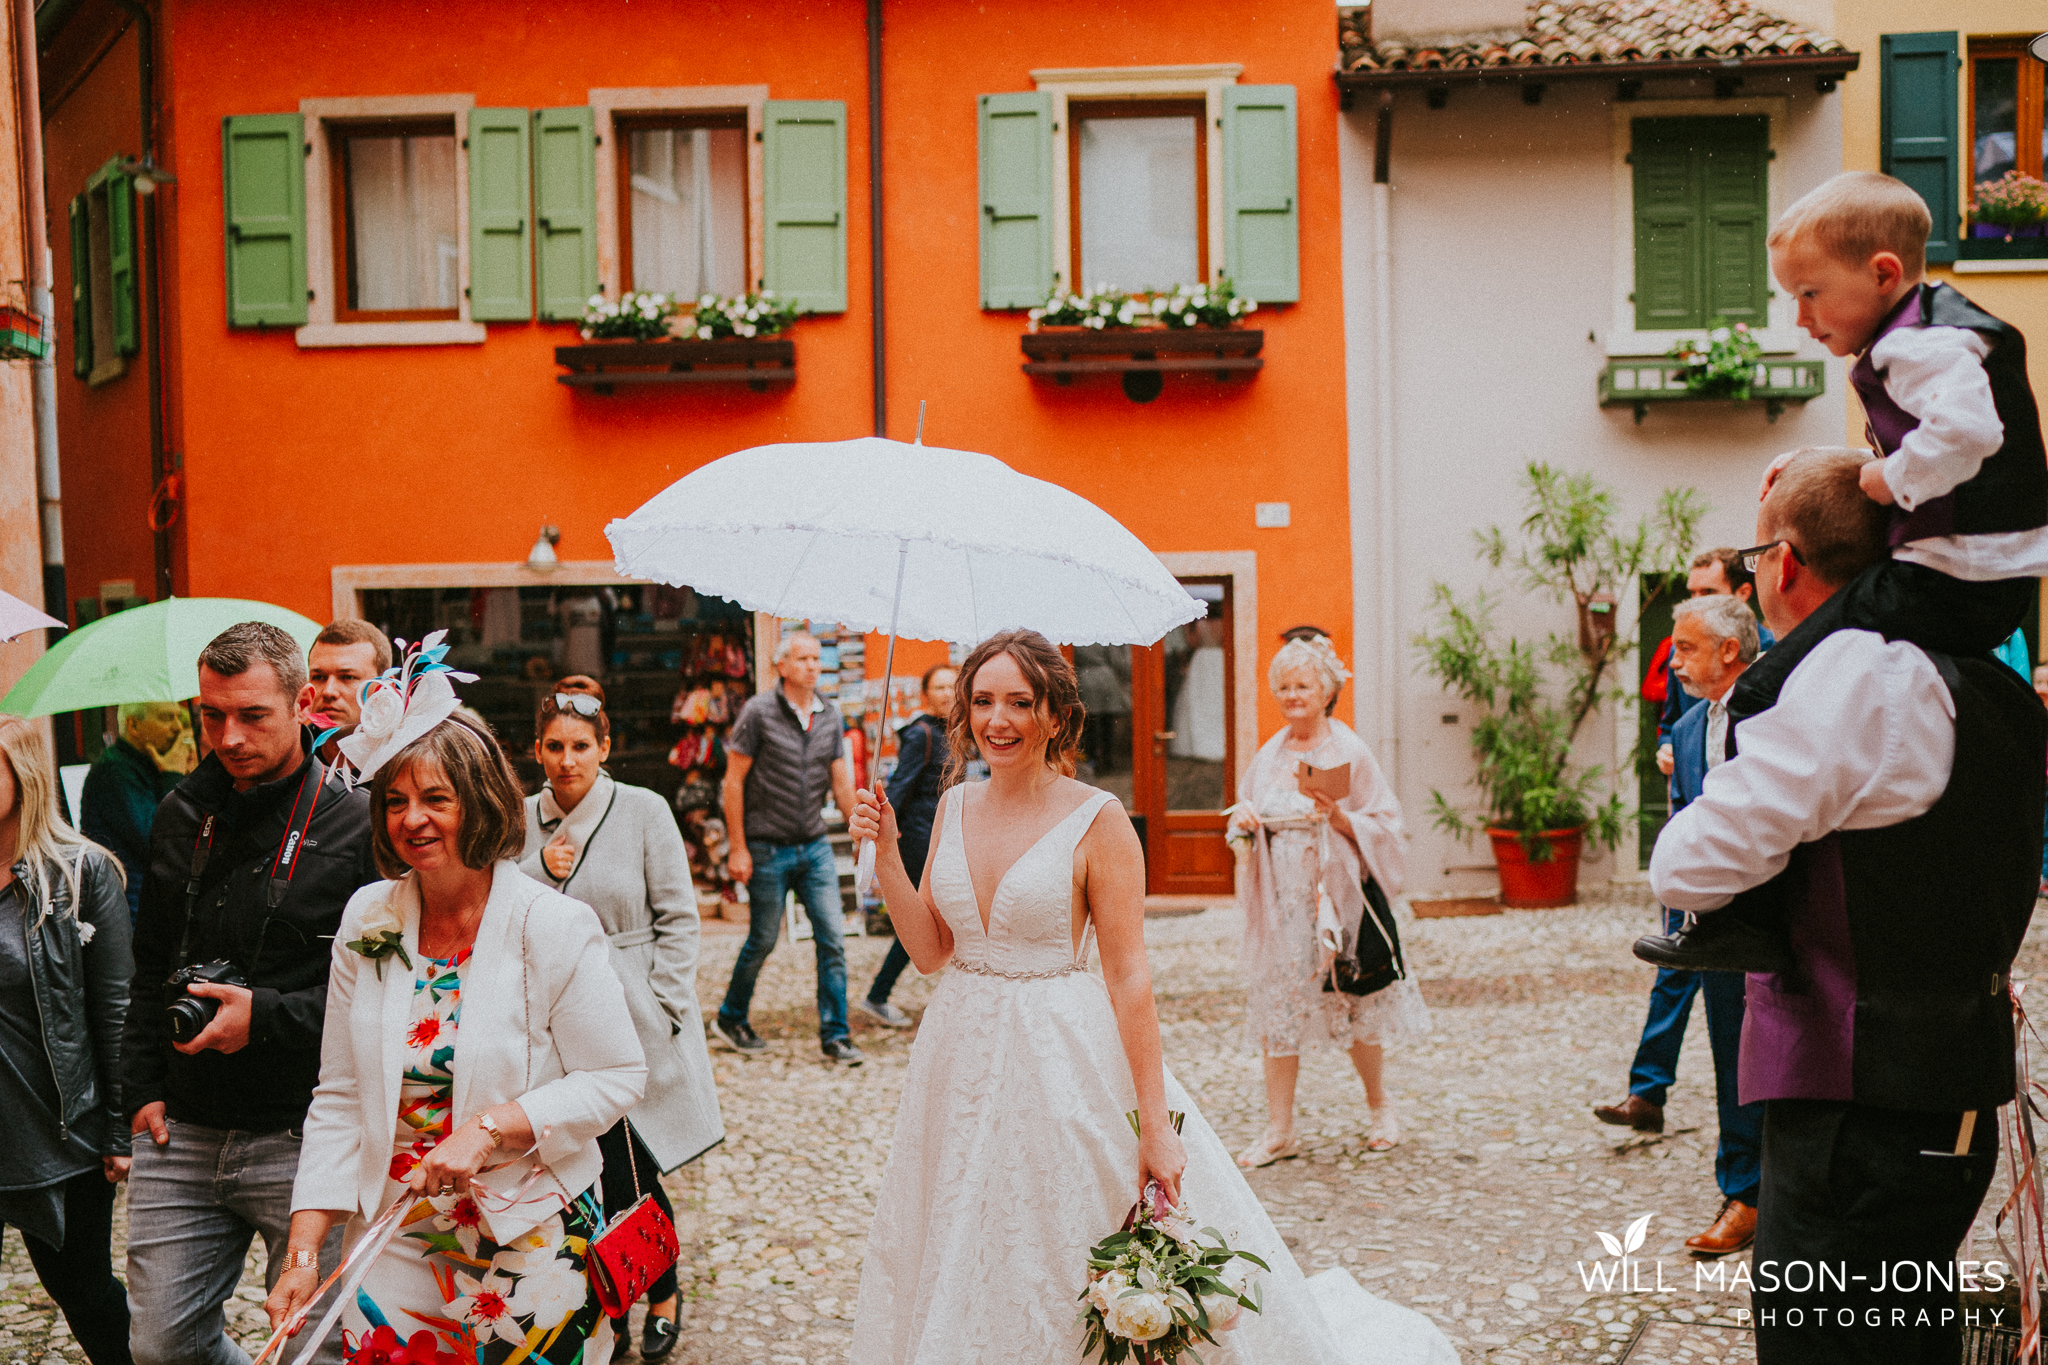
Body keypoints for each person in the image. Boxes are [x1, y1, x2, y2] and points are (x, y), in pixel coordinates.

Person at [846, 629, 1456, 1364]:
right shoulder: (952, 807)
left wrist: (1156, 1124)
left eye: (1018, 701)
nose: (997, 719)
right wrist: (886, 857)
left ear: (1054, 713)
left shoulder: (1097, 819)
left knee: (1062, 1228)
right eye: (981, 701)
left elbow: (1130, 975)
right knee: (963, 1229)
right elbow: (932, 951)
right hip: (960, 1056)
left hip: (1061, 1056)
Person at [1648, 450, 2042, 1361]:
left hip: (1857, 1104)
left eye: (1754, 558)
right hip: (1950, 1086)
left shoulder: (1855, 675)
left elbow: (1688, 864)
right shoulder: (1983, 675)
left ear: (1784, 562)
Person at [1654, 169, 2047, 971]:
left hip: (1955, 567)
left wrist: (1880, 481)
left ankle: (1749, 923)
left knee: (1763, 681)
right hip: (1987, 573)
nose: (1798, 318)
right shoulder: (1941, 334)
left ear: (1882, 274)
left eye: (1808, 294)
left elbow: (1965, 433)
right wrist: (1834, 464)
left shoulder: (1913, 343)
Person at [266, 684, 647, 1362]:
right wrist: (301, 1252)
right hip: (395, 1239)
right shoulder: (368, 917)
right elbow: (341, 1093)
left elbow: (618, 1076)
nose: (412, 819)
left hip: (532, 1237)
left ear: (480, 801)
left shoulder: (552, 924)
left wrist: (491, 1127)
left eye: (435, 798)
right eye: (394, 801)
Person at [121, 622, 377, 1365]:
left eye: (252, 715)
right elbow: (147, 966)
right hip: (183, 1127)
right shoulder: (179, 814)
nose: (228, 736)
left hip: (306, 1132)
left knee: (315, 1350)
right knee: (163, 1347)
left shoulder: (355, 821)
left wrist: (264, 1017)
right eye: (212, 715)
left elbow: (383, 1000)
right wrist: (139, 1089)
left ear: (303, 704)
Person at [518, 678, 722, 1361]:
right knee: (584, 1169)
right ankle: (608, 1300)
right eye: (555, 746)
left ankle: (658, 1288)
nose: (567, 759)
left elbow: (678, 915)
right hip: (556, 1024)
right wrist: (537, 865)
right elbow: (503, 905)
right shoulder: (522, 822)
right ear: (536, 750)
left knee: (638, 1164)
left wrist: (665, 1003)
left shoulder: (644, 810)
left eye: (581, 746)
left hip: (636, 1010)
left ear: (606, 747)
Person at [1594, 596, 1765, 1257]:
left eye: (1687, 648)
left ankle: (1791, 1188)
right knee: (1732, 1055)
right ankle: (1744, 1190)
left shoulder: (1777, 713)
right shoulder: (1690, 728)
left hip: (1785, 920)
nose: (1675, 660)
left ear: (1729, 649)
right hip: (1719, 924)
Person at [1227, 635, 1426, 1168]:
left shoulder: (1349, 749)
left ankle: (1381, 1108)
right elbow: (1243, 820)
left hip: (1337, 904)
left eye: (1303, 685)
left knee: (1354, 1003)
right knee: (1279, 1011)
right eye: (1284, 686)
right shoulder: (1268, 755)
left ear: (1325, 691)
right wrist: (1243, 825)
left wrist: (1339, 819)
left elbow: (1387, 822)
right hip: (1282, 908)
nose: (1292, 695)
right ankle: (1279, 1130)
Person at [0, 717, 134, 1365]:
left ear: (22, 773)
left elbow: (115, 1010)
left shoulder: (82, 874)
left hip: (57, 1131)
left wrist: (117, 1129)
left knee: (82, 1290)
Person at [715, 631, 864, 1065]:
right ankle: (731, 1016)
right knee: (762, 938)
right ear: (781, 665)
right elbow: (733, 781)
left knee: (833, 939)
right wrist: (737, 847)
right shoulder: (758, 712)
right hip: (766, 846)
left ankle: (836, 1035)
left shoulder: (831, 716)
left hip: (814, 845)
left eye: (816, 659)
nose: (812, 666)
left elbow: (841, 783)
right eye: (802, 658)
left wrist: (860, 835)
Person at [855, 662, 956, 1028]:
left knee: (934, 916)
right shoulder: (922, 734)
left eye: (952, 687)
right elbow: (900, 784)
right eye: (940, 687)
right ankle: (878, 995)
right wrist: (880, 832)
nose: (947, 693)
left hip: (943, 837)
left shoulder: (956, 732)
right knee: (926, 917)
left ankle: (881, 994)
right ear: (926, 694)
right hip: (919, 838)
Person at [1650, 549, 1772, 779]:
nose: (1696, 603)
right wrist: (1667, 749)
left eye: (1708, 593)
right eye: (1692, 594)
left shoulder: (1775, 651)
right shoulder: (1677, 654)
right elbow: (1671, 724)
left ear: (1743, 593)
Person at [79, 701, 194, 921]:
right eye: (167, 718)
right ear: (133, 726)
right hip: (127, 909)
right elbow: (157, 838)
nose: (178, 727)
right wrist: (173, 776)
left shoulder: (148, 764)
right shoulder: (114, 771)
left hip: (148, 903)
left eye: (178, 717)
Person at [300, 619, 393, 764]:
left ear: (385, 686)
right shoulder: (290, 759)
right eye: (319, 677)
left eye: (347, 677)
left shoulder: (411, 759)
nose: (329, 691)